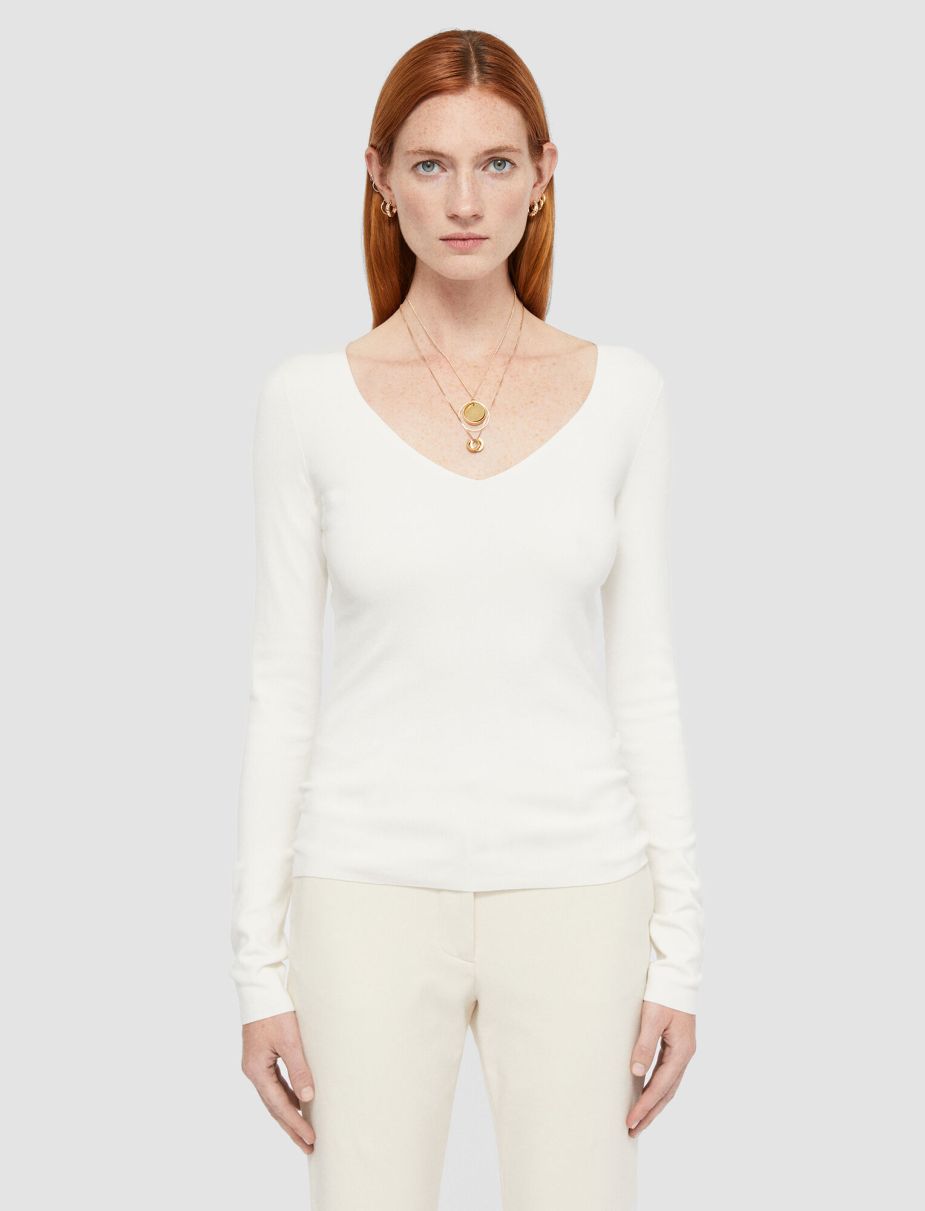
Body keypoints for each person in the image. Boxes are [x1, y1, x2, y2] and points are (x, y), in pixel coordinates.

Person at [230, 27, 704, 1211]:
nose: (463, 200)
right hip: (364, 888)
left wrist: (681, 956)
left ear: (544, 174)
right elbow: (281, 689)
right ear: (380, 177)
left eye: (496, 164)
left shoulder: (625, 395)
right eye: (430, 164)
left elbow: (645, 677)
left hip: (580, 886)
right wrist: (256, 970)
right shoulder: (306, 402)